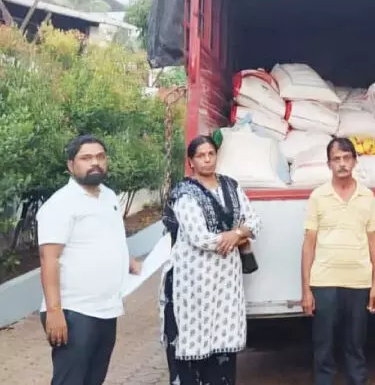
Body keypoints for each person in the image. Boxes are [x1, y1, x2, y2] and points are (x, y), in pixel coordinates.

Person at [37, 134, 141, 385]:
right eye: (86, 158)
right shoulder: (60, 204)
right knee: (70, 380)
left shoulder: (109, 196)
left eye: (100, 157)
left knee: (93, 379)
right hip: (74, 311)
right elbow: (48, 259)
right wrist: (54, 312)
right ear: (71, 166)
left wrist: (127, 260)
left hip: (106, 309)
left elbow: (109, 238)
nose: (95, 162)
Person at [159, 135, 262, 385]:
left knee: (222, 340)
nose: (207, 160)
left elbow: (255, 221)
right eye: (200, 156)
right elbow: (199, 238)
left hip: (226, 278)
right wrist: (238, 235)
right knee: (193, 339)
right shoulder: (184, 193)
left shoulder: (231, 186)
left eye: (211, 154)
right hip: (193, 279)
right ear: (191, 161)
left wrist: (235, 233)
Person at [301, 137, 375, 385]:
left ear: (355, 161)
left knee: (355, 348)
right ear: (329, 164)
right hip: (324, 283)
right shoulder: (318, 196)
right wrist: (306, 290)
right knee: (323, 349)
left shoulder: (367, 196)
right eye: (337, 159)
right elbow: (308, 244)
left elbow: (373, 242)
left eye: (347, 158)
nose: (342, 164)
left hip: (358, 283)